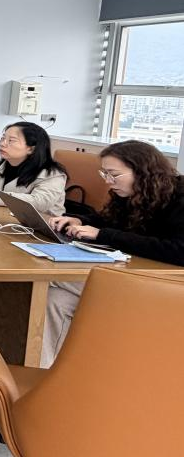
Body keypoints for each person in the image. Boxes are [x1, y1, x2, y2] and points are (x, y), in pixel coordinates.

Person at [41, 140, 184, 368]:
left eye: (114, 175)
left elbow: (178, 251)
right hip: (132, 273)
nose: (108, 181)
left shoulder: (179, 197)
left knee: (49, 276)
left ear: (142, 171)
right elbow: (109, 220)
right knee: (54, 299)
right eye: (105, 174)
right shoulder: (134, 192)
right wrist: (79, 220)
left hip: (165, 285)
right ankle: (47, 372)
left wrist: (103, 235)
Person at [0, 121, 67, 216]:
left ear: (31, 149)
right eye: (3, 138)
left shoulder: (53, 175)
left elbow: (39, 202)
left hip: (40, 227)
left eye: (11, 141)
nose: (2, 143)